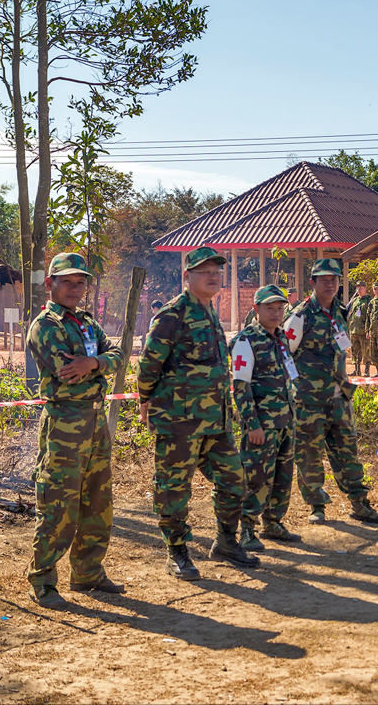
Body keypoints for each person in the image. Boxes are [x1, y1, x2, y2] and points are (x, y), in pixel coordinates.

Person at [138, 246, 258, 580]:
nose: (212, 277)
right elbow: (150, 363)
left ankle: (225, 542)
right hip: (179, 421)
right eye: (204, 271)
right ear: (186, 276)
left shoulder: (210, 314)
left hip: (215, 422)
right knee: (174, 489)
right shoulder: (173, 315)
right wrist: (145, 401)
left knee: (235, 480)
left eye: (217, 272)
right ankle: (176, 552)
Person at [25, 253, 126, 609]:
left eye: (80, 282)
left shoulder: (86, 323)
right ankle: (43, 580)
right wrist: (94, 365)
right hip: (64, 423)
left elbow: (117, 354)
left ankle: (87, 573)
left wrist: (94, 362)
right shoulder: (45, 324)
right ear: (50, 283)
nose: (74, 288)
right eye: (66, 281)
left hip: (96, 422)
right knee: (58, 504)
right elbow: (64, 369)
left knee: (97, 501)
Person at [284, 259, 378, 525]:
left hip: (338, 397)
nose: (330, 284)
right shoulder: (300, 315)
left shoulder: (341, 311)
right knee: (309, 455)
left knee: (348, 453)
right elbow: (285, 356)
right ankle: (317, 506)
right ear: (313, 283)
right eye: (324, 279)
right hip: (309, 400)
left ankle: (359, 504)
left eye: (335, 279)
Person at [230, 285, 301, 552]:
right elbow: (241, 386)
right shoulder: (246, 340)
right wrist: (252, 424)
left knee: (283, 476)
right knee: (256, 477)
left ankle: (273, 522)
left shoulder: (281, 338)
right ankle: (247, 529)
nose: (275, 313)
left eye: (279, 308)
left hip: (285, 421)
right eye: (269, 308)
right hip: (262, 426)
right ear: (256, 309)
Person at [346, 282, 372, 376]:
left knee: (365, 350)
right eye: (357, 288)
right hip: (354, 330)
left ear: (365, 288)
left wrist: (369, 329)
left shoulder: (369, 300)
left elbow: (370, 316)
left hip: (364, 330)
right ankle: (356, 370)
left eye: (360, 287)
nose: (359, 290)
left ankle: (366, 370)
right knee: (355, 351)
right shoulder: (354, 300)